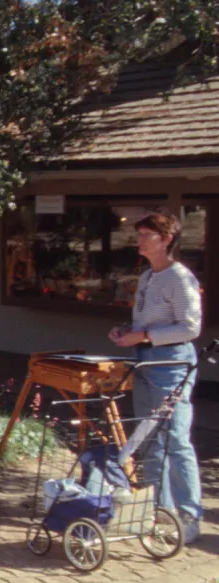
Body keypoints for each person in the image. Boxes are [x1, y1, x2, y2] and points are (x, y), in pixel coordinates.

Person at [108, 211, 203, 544]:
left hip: (172, 363)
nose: (141, 239)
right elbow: (149, 324)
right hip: (145, 361)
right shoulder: (149, 276)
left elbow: (190, 327)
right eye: (140, 233)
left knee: (175, 438)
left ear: (167, 240)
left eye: (148, 234)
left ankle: (189, 516)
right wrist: (128, 333)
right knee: (150, 438)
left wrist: (144, 336)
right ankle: (158, 511)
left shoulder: (180, 278)